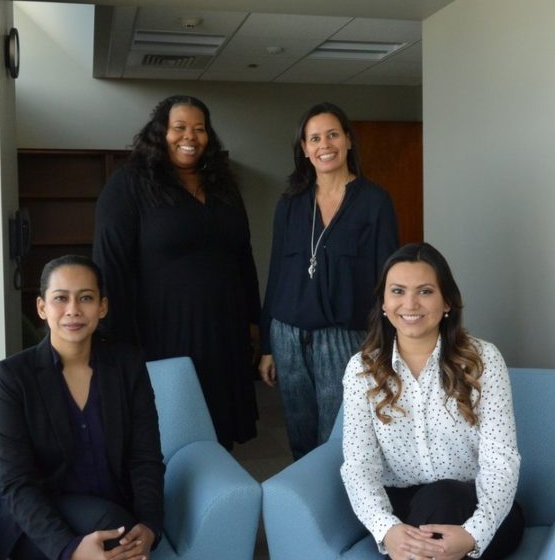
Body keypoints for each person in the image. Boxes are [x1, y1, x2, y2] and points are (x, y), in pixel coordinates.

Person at [93, 95, 260, 449]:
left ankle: (216, 499)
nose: (191, 137)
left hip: (224, 332)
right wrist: (113, 338)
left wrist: (253, 319)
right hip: (162, 333)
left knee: (220, 432)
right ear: (160, 132)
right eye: (179, 127)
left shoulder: (223, 185)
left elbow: (243, 254)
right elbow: (111, 265)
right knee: (170, 431)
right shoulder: (129, 185)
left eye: (200, 129)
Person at [341, 243, 524, 560]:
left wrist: (472, 535)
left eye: (425, 291)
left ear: (448, 301)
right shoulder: (363, 369)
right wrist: (387, 530)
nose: (409, 303)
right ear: (384, 302)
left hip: (475, 505)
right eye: (397, 291)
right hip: (402, 511)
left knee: (443, 498)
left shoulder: (483, 361)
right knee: (430, 516)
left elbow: (501, 461)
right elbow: (359, 466)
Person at [0, 255, 164, 560]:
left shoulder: (128, 366)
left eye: (85, 297)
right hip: (41, 523)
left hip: (114, 509)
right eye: (60, 298)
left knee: (120, 531)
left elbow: (145, 458)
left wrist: (150, 524)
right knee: (116, 532)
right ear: (42, 308)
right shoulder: (14, 376)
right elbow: (17, 482)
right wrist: (69, 550)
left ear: (102, 307)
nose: (73, 310)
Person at [259, 102, 399, 459]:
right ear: (305, 149)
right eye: (315, 138)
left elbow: (388, 279)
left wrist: (385, 345)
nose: (325, 144)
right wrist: (266, 346)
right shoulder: (290, 204)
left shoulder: (374, 202)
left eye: (333, 134)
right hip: (288, 336)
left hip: (344, 338)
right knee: (300, 435)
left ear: (348, 141)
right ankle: (304, 507)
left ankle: (338, 510)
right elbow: (275, 273)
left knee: (339, 438)